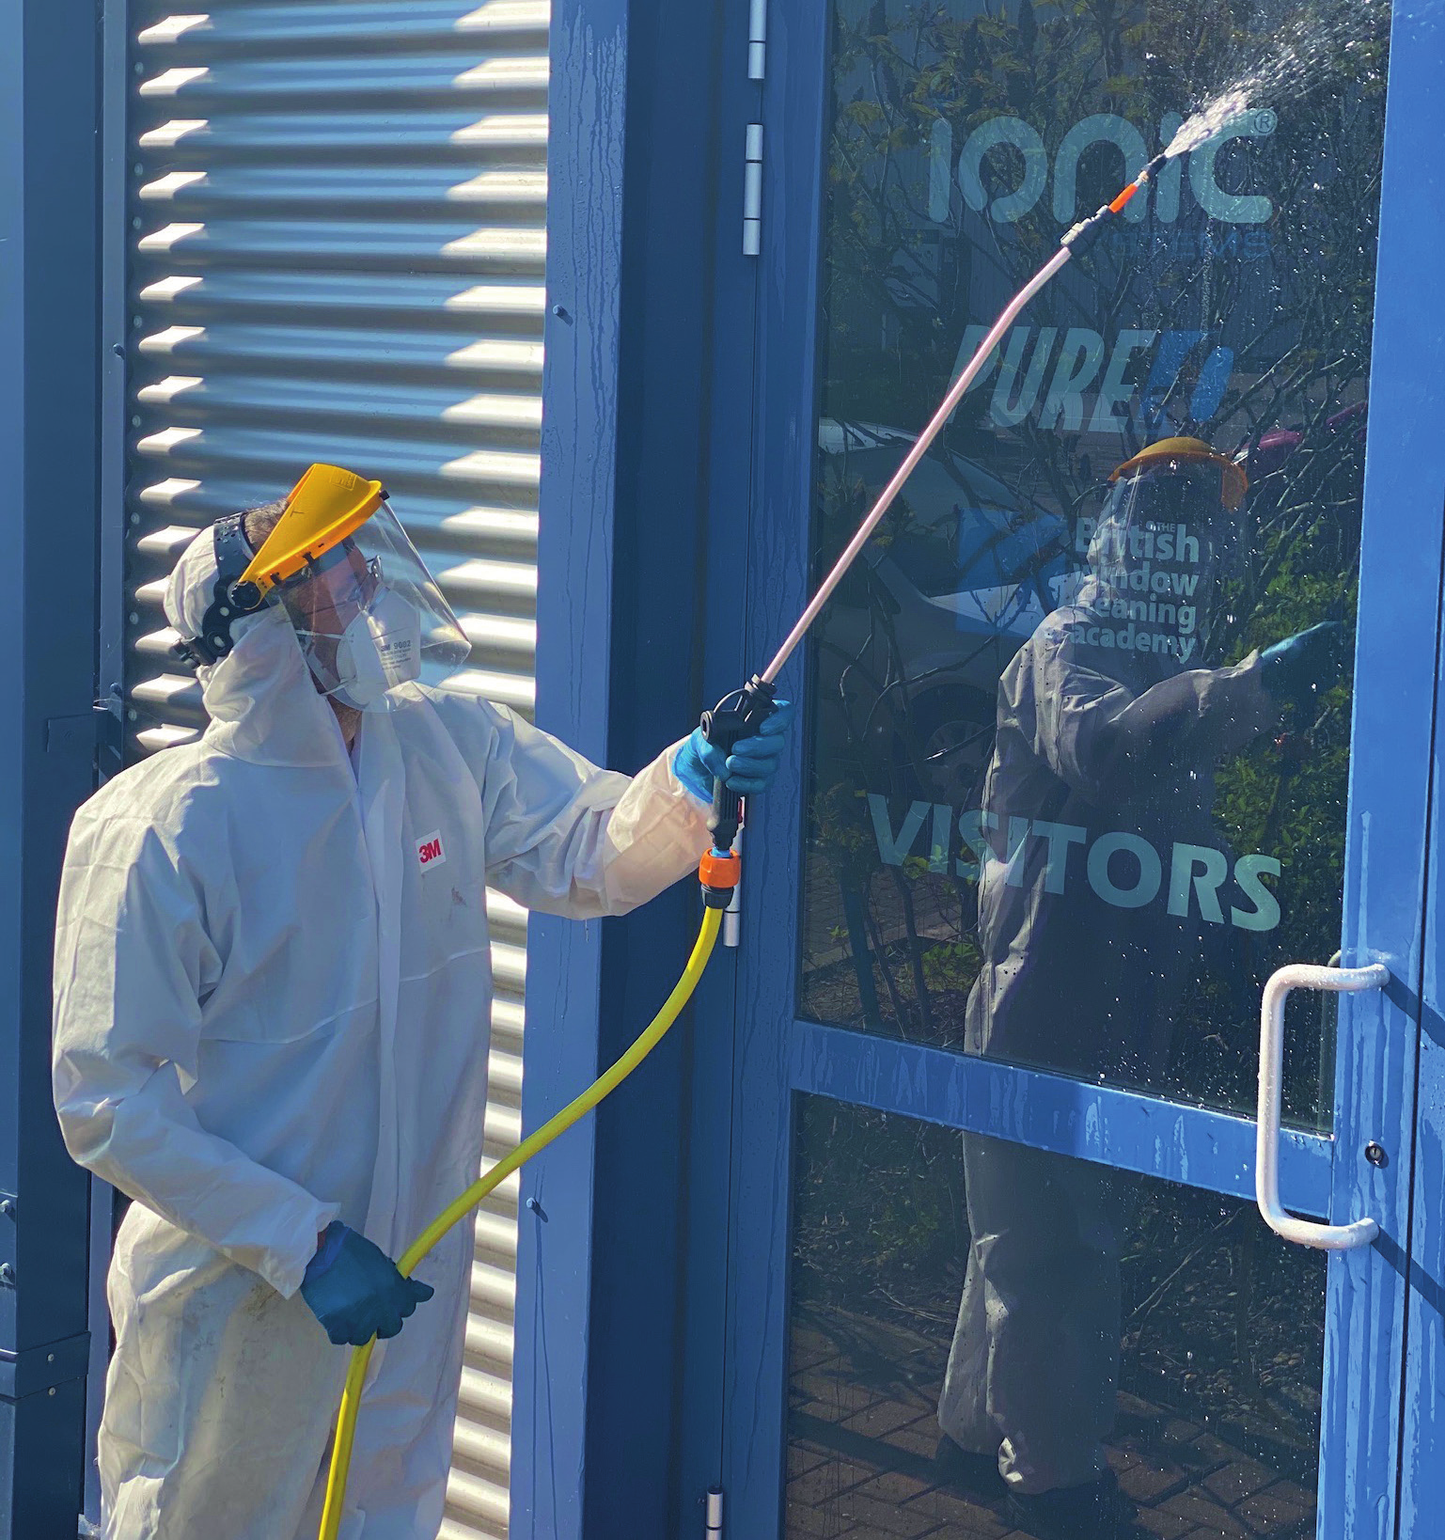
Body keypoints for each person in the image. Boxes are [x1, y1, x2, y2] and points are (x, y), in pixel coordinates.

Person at [51, 465, 793, 1540]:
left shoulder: (443, 746)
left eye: (362, 563)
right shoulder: (165, 826)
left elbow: (585, 851)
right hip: (239, 1298)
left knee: (382, 1517)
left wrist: (688, 774)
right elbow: (106, 1101)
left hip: (402, 1273)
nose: (366, 594)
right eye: (330, 577)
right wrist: (299, 1243)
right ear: (256, 630)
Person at [934, 439, 1343, 1539]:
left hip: (1107, 995)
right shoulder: (1064, 649)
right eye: (1190, 535)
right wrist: (1253, 684)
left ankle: (972, 1436)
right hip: (1035, 997)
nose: (1205, 557)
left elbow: (1171, 826)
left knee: (1024, 1235)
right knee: (1041, 1250)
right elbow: (1109, 749)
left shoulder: (1147, 649)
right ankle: (1051, 1486)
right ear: (1146, 543)